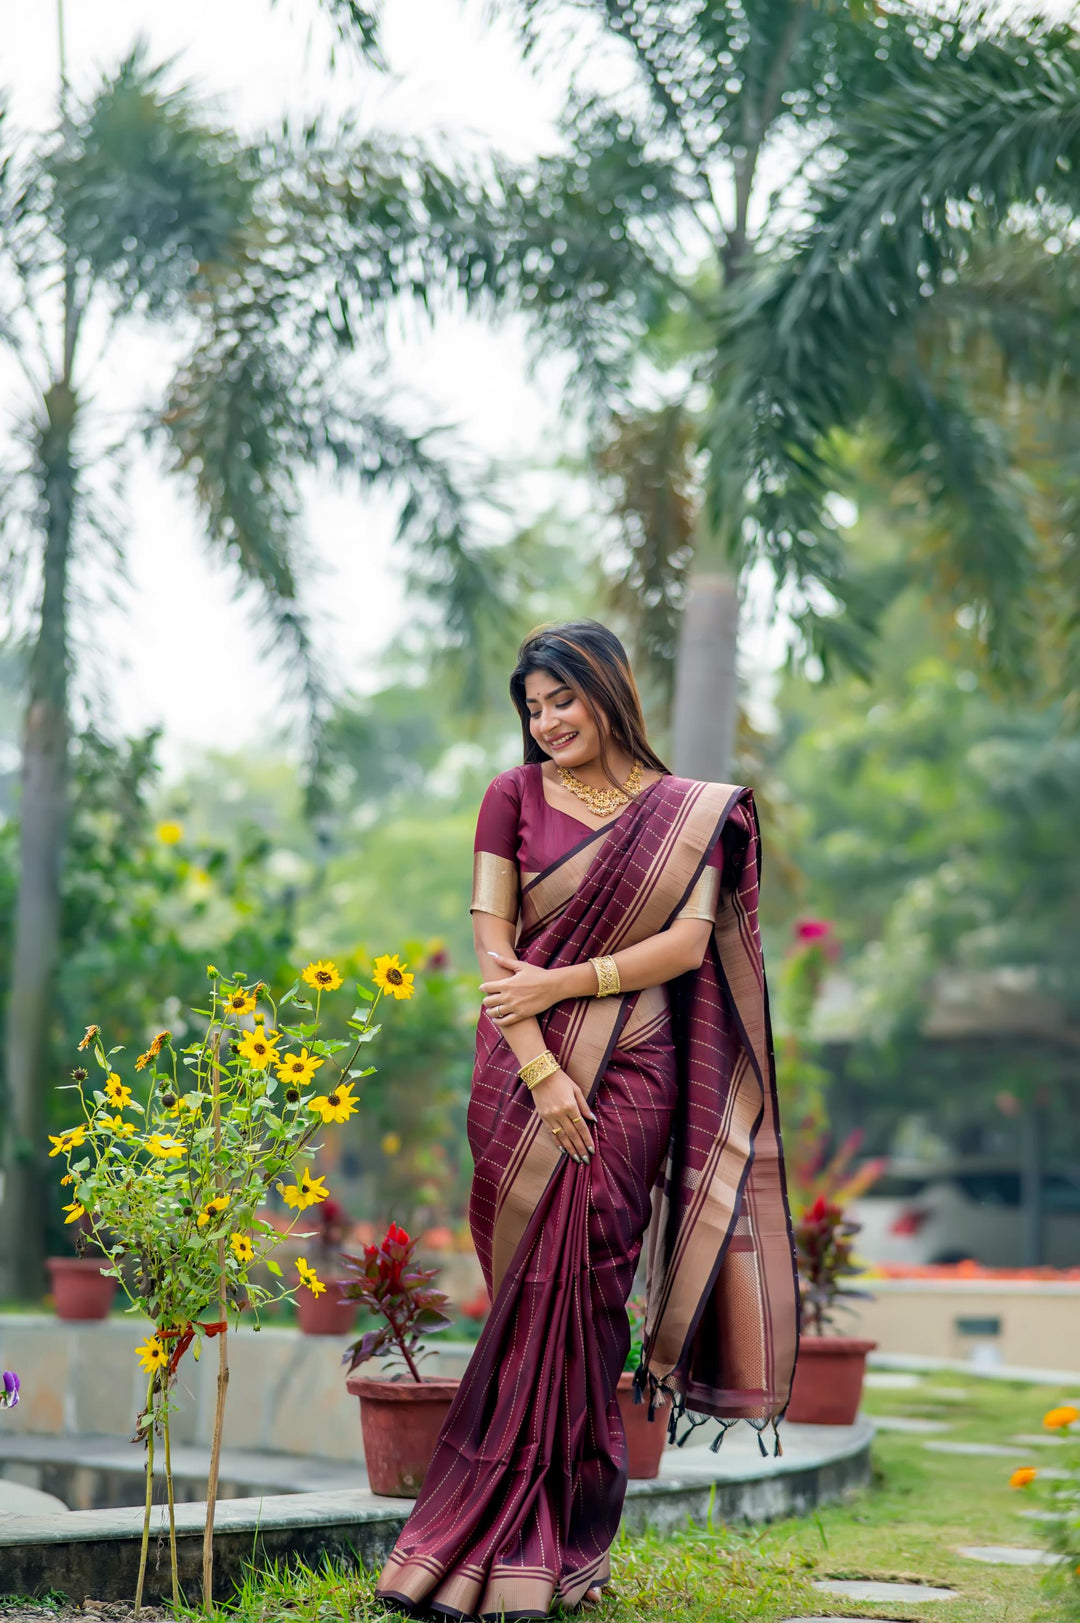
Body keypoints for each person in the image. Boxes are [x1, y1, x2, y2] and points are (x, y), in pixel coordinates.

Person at [376, 620, 798, 1620]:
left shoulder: (684, 814)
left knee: (592, 1291)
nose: (547, 721)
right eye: (532, 707)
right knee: (528, 1290)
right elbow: (493, 953)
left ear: (608, 693)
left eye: (562, 700)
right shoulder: (510, 798)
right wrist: (545, 1074)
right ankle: (476, 1539)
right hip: (523, 1079)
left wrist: (565, 981)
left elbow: (691, 944)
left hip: (639, 1066)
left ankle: (563, 1544)